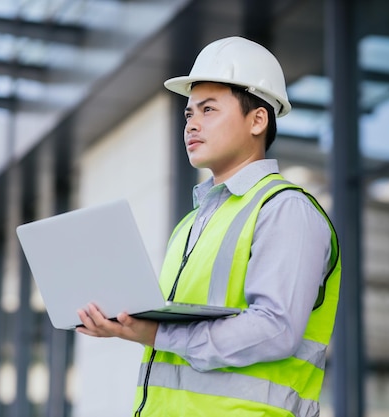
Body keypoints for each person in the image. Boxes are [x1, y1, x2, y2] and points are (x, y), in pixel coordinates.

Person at [76, 36, 341, 417]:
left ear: (258, 120)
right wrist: (123, 324)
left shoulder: (285, 210)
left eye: (208, 110)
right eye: (189, 114)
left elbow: (275, 329)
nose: (192, 124)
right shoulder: (190, 225)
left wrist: (156, 333)